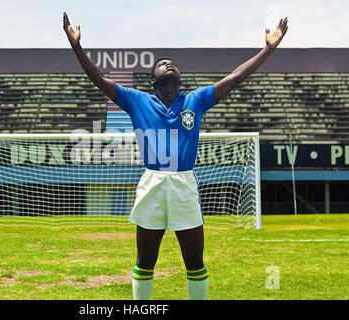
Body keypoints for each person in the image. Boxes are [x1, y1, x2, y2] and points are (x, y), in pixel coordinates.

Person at [63, 12, 288, 300]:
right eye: (161, 64)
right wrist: (77, 47)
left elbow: (236, 76)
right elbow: (98, 78)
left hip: (184, 184)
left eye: (172, 64)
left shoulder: (195, 100)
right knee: (145, 261)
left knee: (194, 262)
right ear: (153, 81)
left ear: (179, 79)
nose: (168, 63)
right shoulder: (137, 100)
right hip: (152, 183)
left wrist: (268, 48)